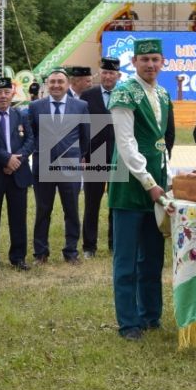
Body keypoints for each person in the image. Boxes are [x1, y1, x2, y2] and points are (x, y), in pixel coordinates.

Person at [108, 38, 170, 340]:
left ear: (163, 62)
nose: (150, 64)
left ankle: (151, 315)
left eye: (155, 59)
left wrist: (165, 180)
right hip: (130, 183)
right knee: (127, 258)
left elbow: (163, 143)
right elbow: (126, 143)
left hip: (157, 183)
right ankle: (129, 323)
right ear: (134, 62)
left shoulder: (163, 93)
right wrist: (149, 182)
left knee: (153, 256)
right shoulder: (123, 92)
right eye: (144, 60)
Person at [28, 68, 89, 265]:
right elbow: (32, 135)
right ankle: (41, 253)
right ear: (47, 84)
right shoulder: (35, 106)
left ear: (67, 84)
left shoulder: (80, 106)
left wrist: (80, 157)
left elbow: (85, 135)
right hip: (43, 165)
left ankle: (71, 252)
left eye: (60, 82)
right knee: (42, 210)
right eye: (52, 82)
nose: (56, 85)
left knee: (71, 210)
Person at [0, 76, 35, 271]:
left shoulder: (20, 114)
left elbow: (30, 140)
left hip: (18, 174)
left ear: (12, 94)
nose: (3, 96)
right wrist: (6, 158)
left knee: (18, 217)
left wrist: (17, 161)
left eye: (6, 92)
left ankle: (18, 257)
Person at [79, 57, 120, 258]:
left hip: (118, 156)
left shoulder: (125, 94)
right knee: (92, 203)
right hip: (94, 155)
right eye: (104, 72)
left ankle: (115, 244)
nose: (108, 76)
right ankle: (89, 246)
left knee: (116, 203)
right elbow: (82, 127)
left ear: (118, 75)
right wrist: (83, 155)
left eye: (112, 73)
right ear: (99, 74)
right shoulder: (88, 96)